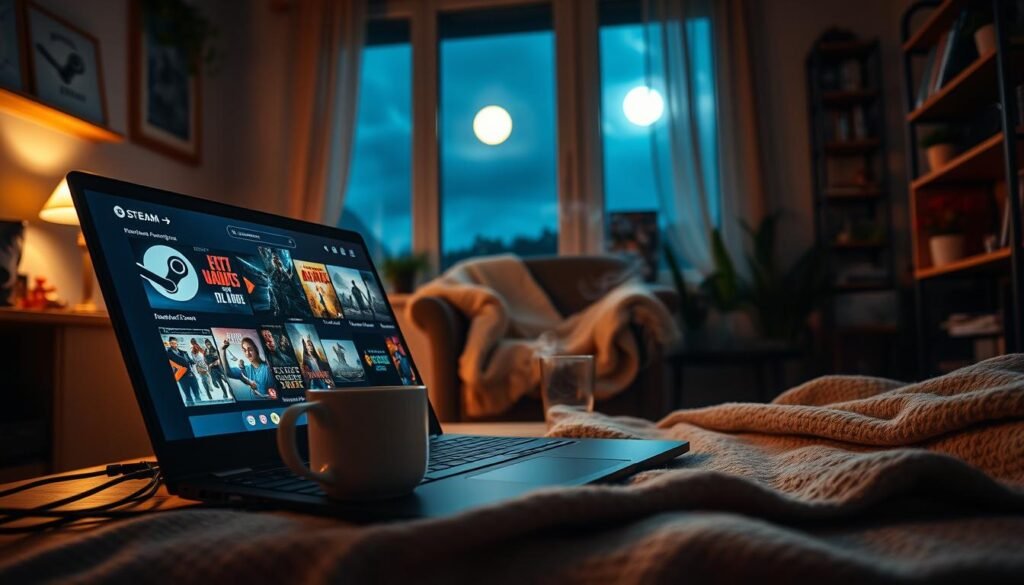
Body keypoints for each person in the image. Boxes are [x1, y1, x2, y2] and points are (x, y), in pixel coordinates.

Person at [166, 336, 200, 406]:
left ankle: (201, 409)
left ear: (177, 343)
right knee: (188, 396)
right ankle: (191, 411)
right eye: (172, 343)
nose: (174, 345)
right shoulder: (167, 354)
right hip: (182, 376)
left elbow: (190, 361)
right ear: (170, 343)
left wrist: (194, 362)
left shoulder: (184, 352)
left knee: (197, 393)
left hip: (190, 374)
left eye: (175, 343)